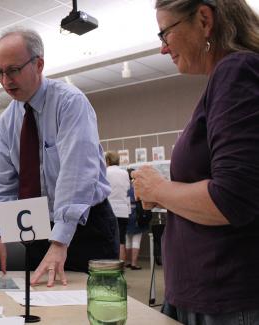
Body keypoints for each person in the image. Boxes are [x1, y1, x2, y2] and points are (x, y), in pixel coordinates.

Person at [132, 0, 259, 323]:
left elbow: (230, 200)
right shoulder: (232, 76)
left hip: (224, 298)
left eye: (166, 34)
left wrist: (159, 189)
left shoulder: (235, 71)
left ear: (204, 20)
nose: (163, 49)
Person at [0, 28, 118, 287]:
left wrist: (60, 241)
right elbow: (4, 185)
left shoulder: (70, 103)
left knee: (88, 304)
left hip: (85, 225)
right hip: (35, 225)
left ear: (39, 64)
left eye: (13, 70)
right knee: (39, 302)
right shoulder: (7, 121)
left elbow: (76, 176)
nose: (6, 80)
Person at [105, 151, 130, 263]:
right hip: (124, 211)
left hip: (109, 210)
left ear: (107, 161)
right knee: (121, 241)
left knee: (108, 241)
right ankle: (121, 270)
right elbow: (128, 188)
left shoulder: (105, 172)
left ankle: (110, 268)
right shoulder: (124, 173)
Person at [125, 169, 150, 270]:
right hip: (137, 215)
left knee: (127, 239)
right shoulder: (137, 186)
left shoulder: (124, 187)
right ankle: (134, 263)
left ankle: (127, 262)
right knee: (136, 240)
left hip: (126, 214)